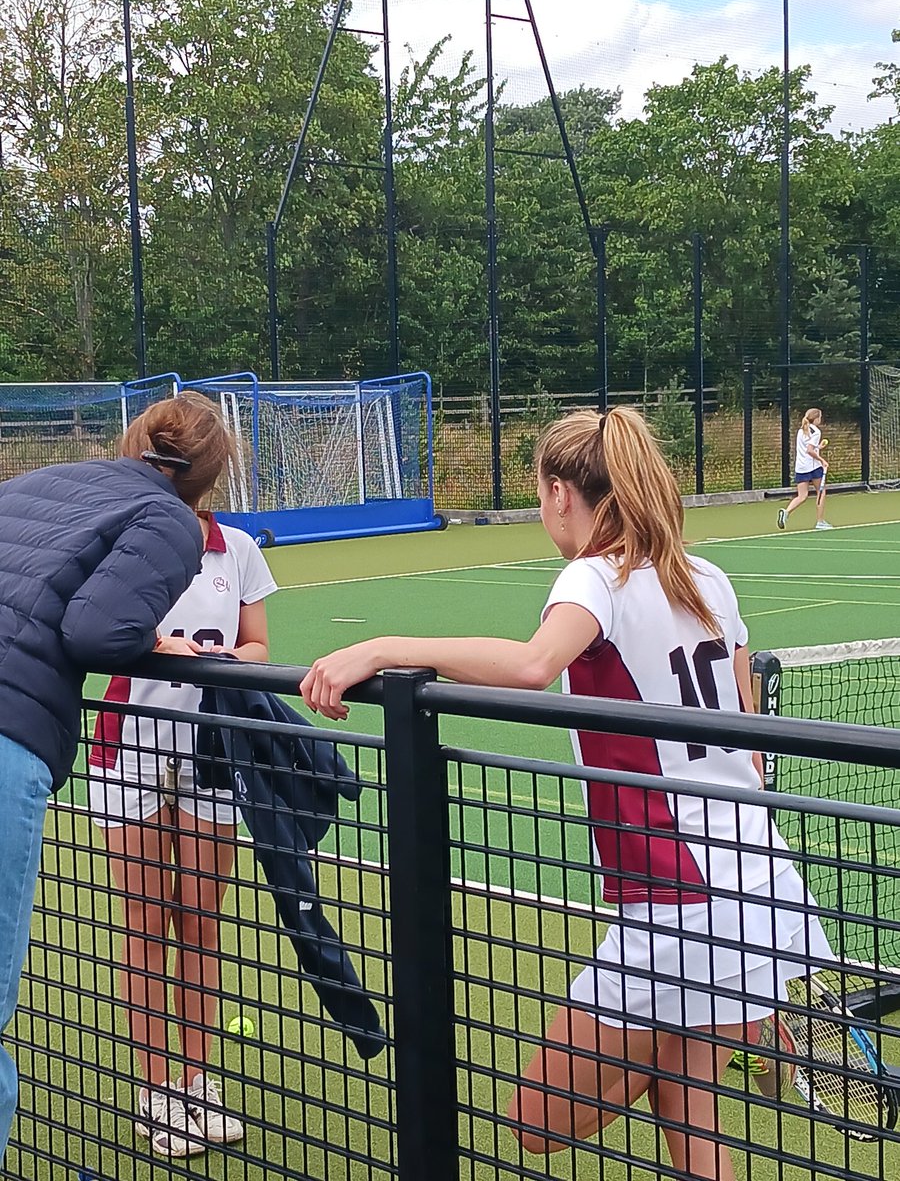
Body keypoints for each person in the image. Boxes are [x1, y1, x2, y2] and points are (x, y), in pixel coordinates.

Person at [299, 406, 833, 1180]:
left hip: (675, 893)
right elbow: (749, 751)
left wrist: (382, 646)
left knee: (538, 1120)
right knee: (689, 1107)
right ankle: (738, 1020)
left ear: (557, 494)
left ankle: (740, 1022)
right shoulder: (706, 577)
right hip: (757, 876)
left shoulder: (596, 573)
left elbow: (532, 665)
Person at [0, 391, 224, 1161]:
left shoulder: (37, 483)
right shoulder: (167, 522)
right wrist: (160, 646)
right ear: (203, 482)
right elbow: (96, 630)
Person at [88, 406, 277, 1157]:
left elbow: (260, 645)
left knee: (199, 920)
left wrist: (224, 662)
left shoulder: (236, 548)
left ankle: (198, 1084)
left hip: (214, 750)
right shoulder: (117, 544)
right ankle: (156, 1091)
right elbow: (93, 637)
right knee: (143, 926)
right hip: (129, 748)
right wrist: (146, 646)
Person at [777, 408, 832, 531]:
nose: (821, 419)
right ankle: (820, 522)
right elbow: (810, 450)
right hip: (813, 466)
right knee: (821, 492)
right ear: (816, 418)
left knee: (802, 496)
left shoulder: (802, 430)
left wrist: (819, 447)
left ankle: (786, 512)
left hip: (801, 467)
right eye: (820, 417)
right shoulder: (816, 431)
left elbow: (809, 448)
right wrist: (822, 460)